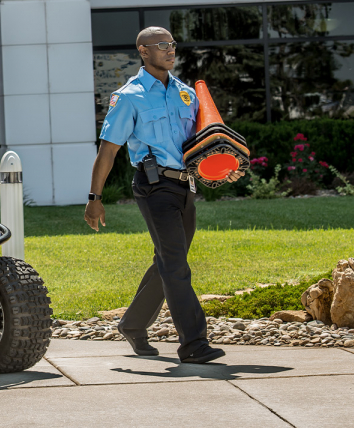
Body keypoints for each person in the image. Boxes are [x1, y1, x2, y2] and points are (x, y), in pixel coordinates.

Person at [84, 26, 243, 364]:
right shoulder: (129, 96)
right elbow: (108, 150)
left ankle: (133, 323)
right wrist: (94, 198)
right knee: (175, 265)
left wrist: (225, 167)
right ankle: (194, 344)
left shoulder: (186, 94)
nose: (170, 50)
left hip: (185, 185)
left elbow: (201, 147)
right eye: (161, 45)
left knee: (168, 262)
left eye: (172, 44)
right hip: (154, 187)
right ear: (143, 51)